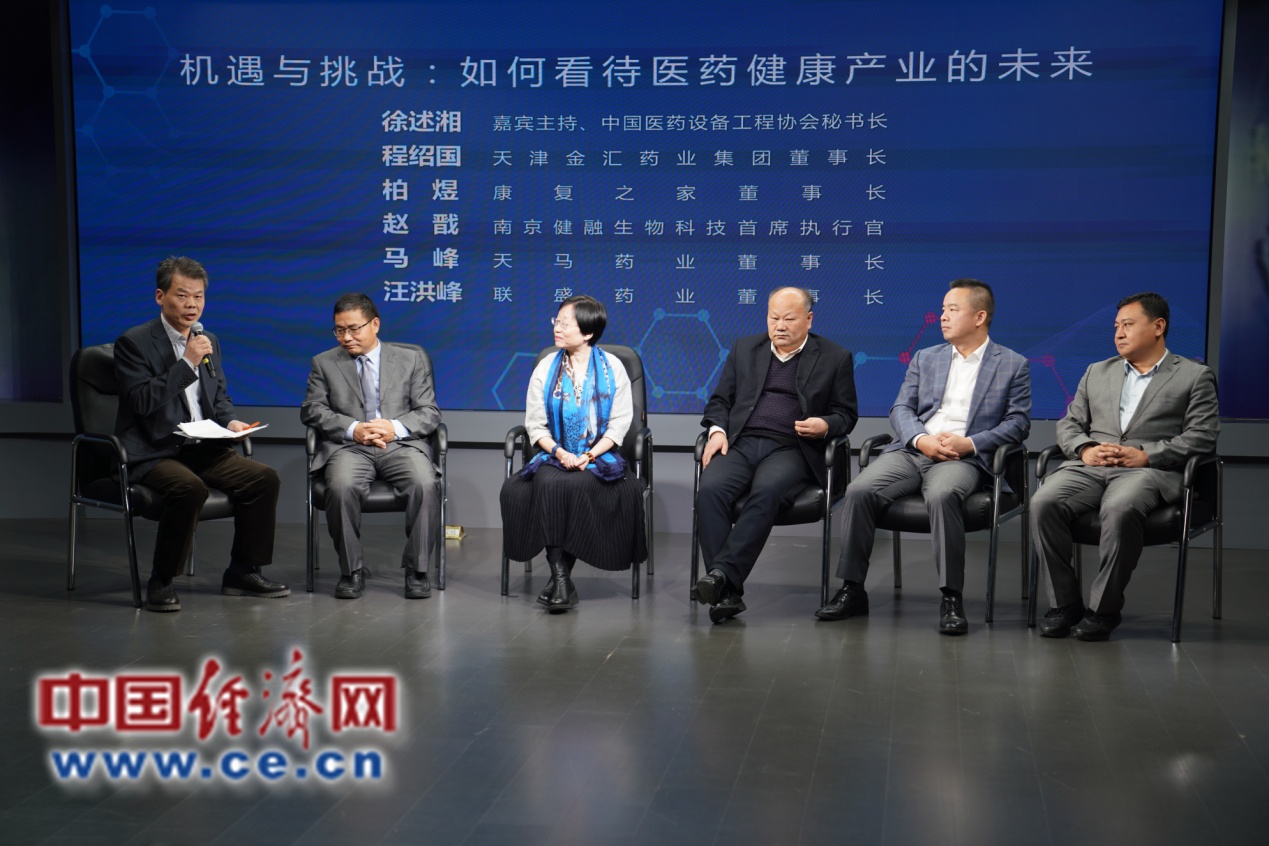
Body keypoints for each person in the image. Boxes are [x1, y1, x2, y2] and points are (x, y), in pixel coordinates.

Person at [816, 279, 1031, 634]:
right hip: (914, 450)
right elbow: (901, 408)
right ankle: (852, 589)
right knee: (859, 490)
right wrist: (920, 439)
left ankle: (951, 597)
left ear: (979, 317)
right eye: (943, 310)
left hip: (963, 458)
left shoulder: (1012, 364)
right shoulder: (926, 357)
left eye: (952, 310)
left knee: (943, 494)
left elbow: (1018, 424)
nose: (942, 317)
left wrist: (970, 443)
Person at [1033, 292, 1219, 641]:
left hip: (1148, 470)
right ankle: (1065, 603)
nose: (1118, 333)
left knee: (1119, 507)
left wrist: (1147, 455)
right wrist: (1085, 449)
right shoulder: (1096, 371)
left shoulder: (1194, 376)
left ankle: (1103, 609)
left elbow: (1203, 436)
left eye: (1128, 325)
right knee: (1043, 502)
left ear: (1158, 327)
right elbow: (1069, 424)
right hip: (1091, 467)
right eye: (1116, 326)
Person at [113, 256, 287, 612]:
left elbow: (219, 396)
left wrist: (231, 423)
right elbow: (142, 402)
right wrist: (186, 363)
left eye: (199, 296)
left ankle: (242, 571)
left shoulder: (209, 340)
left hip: (201, 446)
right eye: (182, 295)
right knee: (188, 488)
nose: (192, 305)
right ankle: (162, 579)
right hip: (154, 451)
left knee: (263, 479)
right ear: (160, 296)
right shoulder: (134, 343)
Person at [694, 286, 858, 623]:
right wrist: (718, 430)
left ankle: (720, 577)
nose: (780, 326)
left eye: (789, 319)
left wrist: (825, 425)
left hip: (792, 448)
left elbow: (846, 414)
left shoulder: (834, 357)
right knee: (710, 489)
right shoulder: (744, 348)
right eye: (774, 318)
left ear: (809, 319)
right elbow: (720, 401)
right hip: (740, 442)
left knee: (767, 490)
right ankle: (727, 591)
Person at [499, 295, 647, 613]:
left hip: (600, 456)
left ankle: (559, 581)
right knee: (548, 484)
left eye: (566, 323)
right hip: (554, 455)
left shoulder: (613, 368)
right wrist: (560, 452)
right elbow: (535, 425)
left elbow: (619, 426)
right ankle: (562, 579)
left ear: (588, 332)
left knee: (578, 486)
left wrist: (589, 456)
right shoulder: (546, 367)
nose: (557, 328)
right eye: (557, 321)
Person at [300, 293, 441, 600]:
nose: (346, 337)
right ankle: (351, 570)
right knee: (340, 487)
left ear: (375, 324)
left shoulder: (410, 359)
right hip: (349, 447)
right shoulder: (324, 363)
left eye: (354, 329)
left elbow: (429, 412)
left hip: (400, 444)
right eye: (339, 330)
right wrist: (354, 429)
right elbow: (312, 410)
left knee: (424, 483)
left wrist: (394, 427)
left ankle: (417, 570)